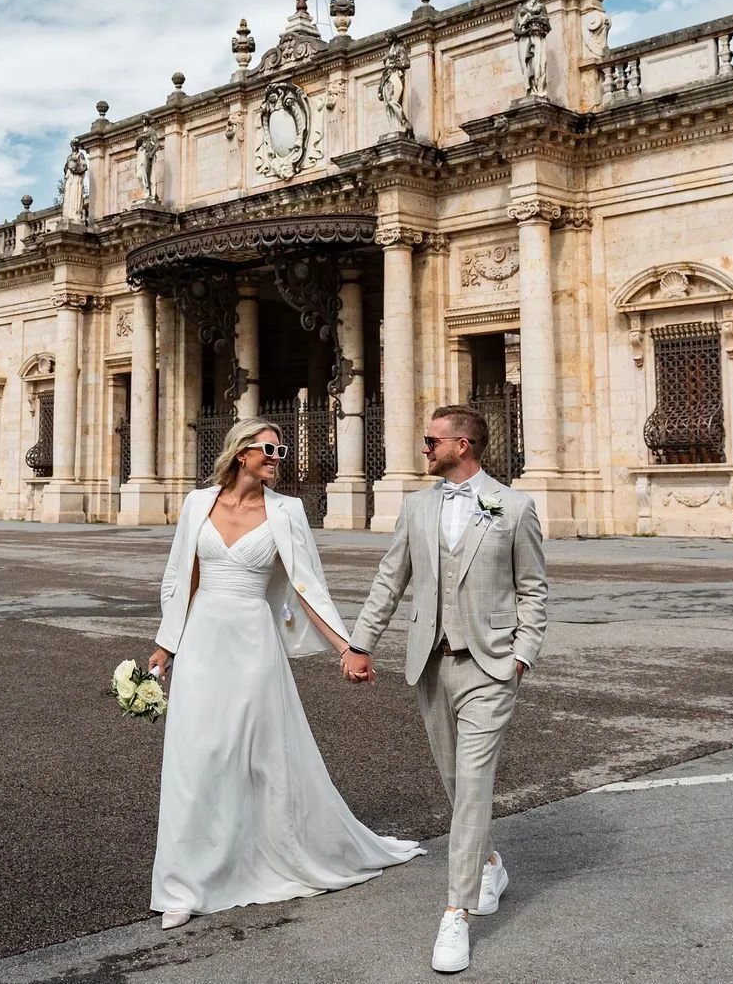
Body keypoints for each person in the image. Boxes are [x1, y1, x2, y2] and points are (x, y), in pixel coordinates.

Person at [147, 415, 422, 929]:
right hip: (203, 638)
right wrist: (166, 644)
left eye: (282, 451)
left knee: (254, 756)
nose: (279, 459)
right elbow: (182, 577)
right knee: (195, 757)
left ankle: (262, 855)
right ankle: (183, 885)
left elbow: (307, 586)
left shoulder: (287, 511)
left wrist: (348, 647)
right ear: (241, 453)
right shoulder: (196, 504)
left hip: (253, 641)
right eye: (270, 450)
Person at [343, 406, 548, 974]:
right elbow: (391, 577)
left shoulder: (514, 506)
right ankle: (490, 863)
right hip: (430, 663)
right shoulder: (417, 505)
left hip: (490, 665)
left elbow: (533, 589)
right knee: (456, 783)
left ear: (463, 444)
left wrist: (522, 655)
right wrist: (360, 644)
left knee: (475, 783)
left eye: (432, 440)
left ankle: (455, 912)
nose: (424, 447)